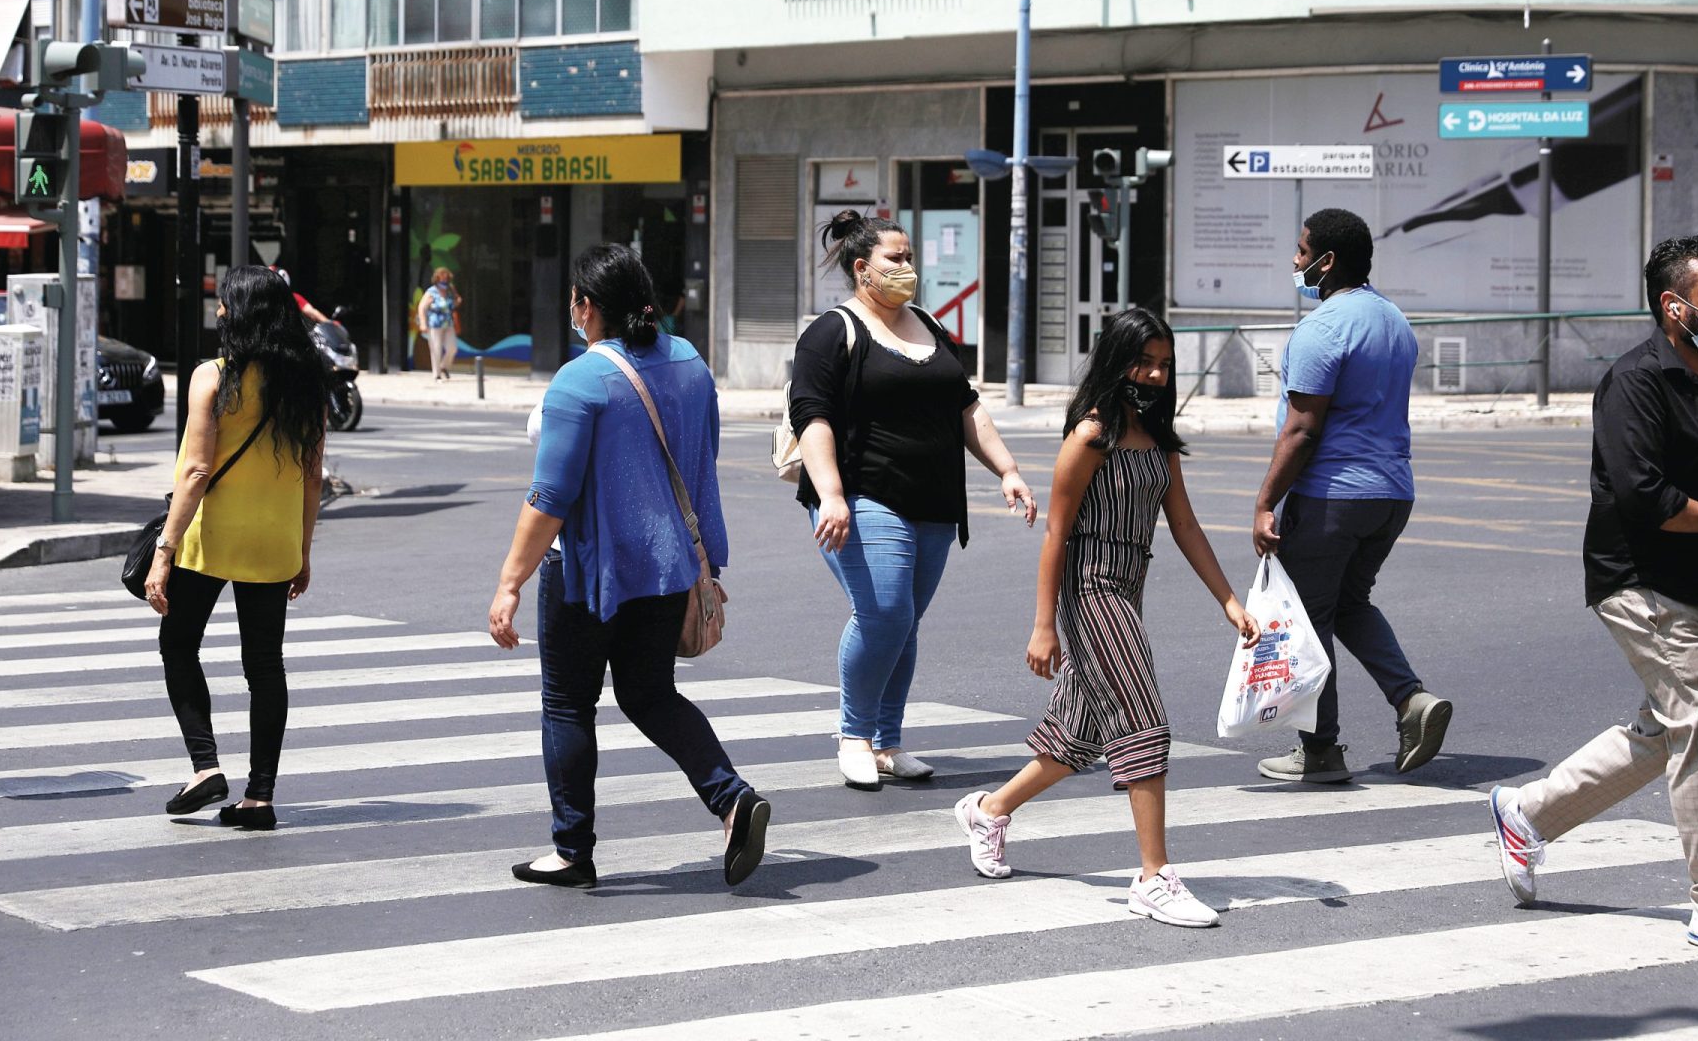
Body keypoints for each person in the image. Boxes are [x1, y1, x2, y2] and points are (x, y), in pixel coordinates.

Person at [1488, 235, 1698, 962]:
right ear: (1674, 306)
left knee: (1670, 727)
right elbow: (1648, 497)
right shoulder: (1636, 382)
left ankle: (1527, 814)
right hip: (1639, 576)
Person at [954, 310, 1260, 928]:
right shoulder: (1091, 436)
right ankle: (1154, 878)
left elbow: (1185, 525)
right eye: (1141, 361)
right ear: (1115, 360)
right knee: (1143, 719)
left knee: (1081, 734)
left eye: (1164, 365)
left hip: (1129, 590)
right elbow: (1056, 535)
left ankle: (988, 810)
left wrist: (1229, 600)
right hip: (1091, 592)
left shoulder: (1159, 441)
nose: (1152, 373)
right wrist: (1044, 625)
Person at [488, 243, 769, 889]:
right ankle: (731, 799)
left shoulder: (580, 380)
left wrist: (509, 583)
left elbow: (549, 500)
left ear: (586, 308)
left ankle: (571, 849)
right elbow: (701, 457)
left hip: (588, 572)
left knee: (567, 703)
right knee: (648, 692)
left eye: (573, 301)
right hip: (668, 565)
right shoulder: (692, 364)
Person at [790, 210, 1038, 790]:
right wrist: (830, 494)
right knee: (884, 613)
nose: (907, 268)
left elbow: (966, 406)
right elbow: (812, 416)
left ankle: (887, 741)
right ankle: (854, 735)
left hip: (933, 501)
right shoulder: (832, 331)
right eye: (894, 259)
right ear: (862, 268)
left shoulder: (927, 323)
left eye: (908, 257)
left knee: (904, 622)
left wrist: (1007, 470)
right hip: (863, 494)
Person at [1250, 208, 1451, 784]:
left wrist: (1266, 502)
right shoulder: (1394, 320)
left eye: (1301, 248)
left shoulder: (1323, 328)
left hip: (1332, 496)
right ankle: (1410, 699)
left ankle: (1320, 752)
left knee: (1309, 622)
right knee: (1350, 604)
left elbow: (1303, 428)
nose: (1295, 260)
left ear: (1327, 260)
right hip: (1392, 494)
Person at [146, 264, 329, 831]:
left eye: (225, 303)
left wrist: (164, 547)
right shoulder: (307, 381)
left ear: (242, 312)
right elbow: (313, 474)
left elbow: (197, 469)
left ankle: (205, 766)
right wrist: (302, 551)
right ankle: (260, 797)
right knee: (265, 667)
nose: (219, 311)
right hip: (273, 544)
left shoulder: (212, 377)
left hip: (211, 538)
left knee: (177, 644)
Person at [417, 268, 463, 380]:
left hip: (448, 323)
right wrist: (423, 323)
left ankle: (444, 366)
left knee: (452, 348)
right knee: (436, 349)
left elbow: (456, 301)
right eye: (442, 276)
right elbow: (421, 307)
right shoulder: (431, 291)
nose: (444, 278)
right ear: (437, 277)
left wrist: (457, 301)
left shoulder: (450, 289)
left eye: (446, 276)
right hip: (435, 324)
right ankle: (436, 374)